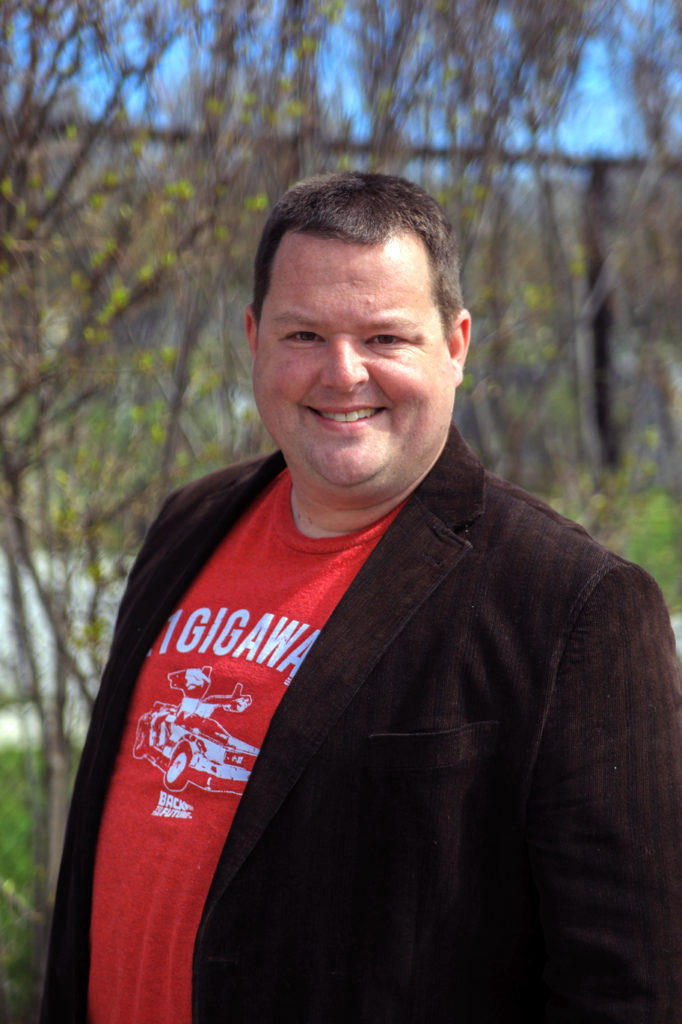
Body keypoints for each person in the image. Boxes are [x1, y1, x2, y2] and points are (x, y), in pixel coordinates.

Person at [41, 172, 682, 1023]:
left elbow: (632, 987)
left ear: (455, 345)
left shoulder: (575, 607)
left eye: (386, 337)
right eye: (305, 332)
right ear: (254, 338)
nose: (343, 374)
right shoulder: (188, 524)